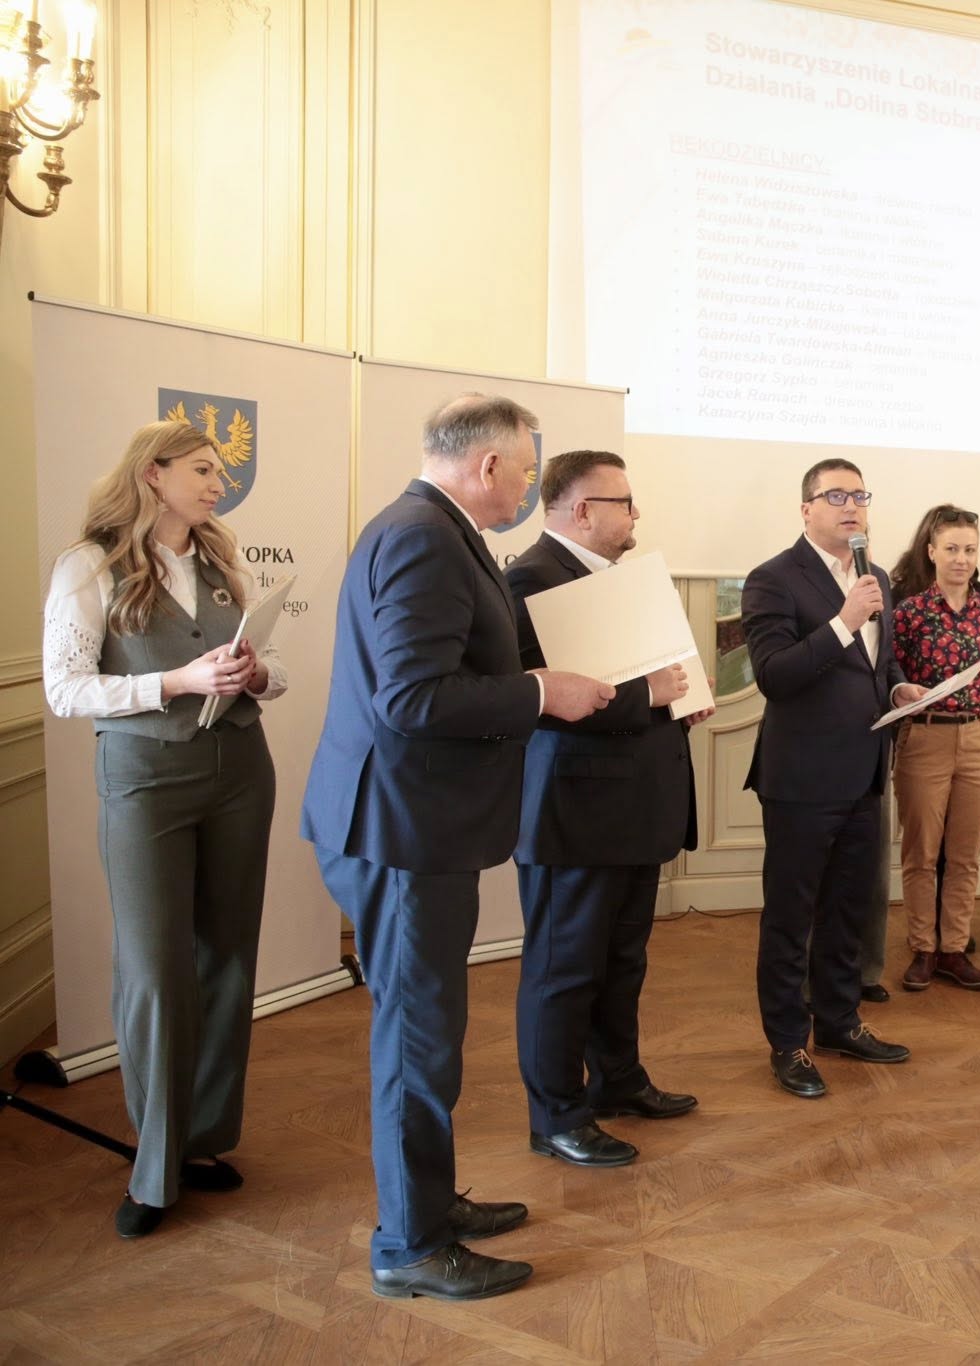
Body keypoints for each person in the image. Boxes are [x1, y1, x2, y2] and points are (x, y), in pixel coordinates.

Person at [302, 394, 615, 1300]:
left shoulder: (430, 528)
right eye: (526, 471)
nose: (527, 487)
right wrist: (540, 692)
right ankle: (409, 1244)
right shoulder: (423, 537)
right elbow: (412, 699)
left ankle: (429, 1205)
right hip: (403, 832)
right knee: (417, 1042)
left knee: (427, 1033)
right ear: (487, 466)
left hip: (411, 824)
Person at [42, 419, 287, 1239]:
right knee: (153, 970)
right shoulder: (89, 565)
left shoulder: (222, 559)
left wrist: (259, 672)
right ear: (153, 473)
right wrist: (175, 682)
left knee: (227, 960)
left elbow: (269, 668)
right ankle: (154, 1166)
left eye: (219, 471)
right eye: (204, 470)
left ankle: (203, 1139)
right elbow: (65, 689)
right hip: (145, 779)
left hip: (240, 772)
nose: (219, 484)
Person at [505, 451, 712, 1170]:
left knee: (621, 960)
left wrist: (680, 699)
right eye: (624, 502)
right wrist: (647, 695)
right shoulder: (532, 578)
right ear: (583, 510)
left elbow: (637, 678)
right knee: (564, 969)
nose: (636, 514)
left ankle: (617, 1080)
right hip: (578, 811)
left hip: (630, 806)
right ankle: (556, 1115)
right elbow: (536, 698)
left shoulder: (613, 578)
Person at [742, 458, 924, 1100]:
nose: (852, 506)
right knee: (792, 918)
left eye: (860, 495)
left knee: (849, 910)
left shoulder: (876, 576)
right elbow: (775, 675)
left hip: (865, 770)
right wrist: (844, 621)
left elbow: (881, 662)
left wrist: (898, 686)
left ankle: (840, 1023)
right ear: (806, 509)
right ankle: (788, 1042)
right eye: (836, 495)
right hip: (801, 779)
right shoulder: (772, 579)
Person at [889, 504, 980, 992]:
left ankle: (954, 949)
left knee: (965, 855)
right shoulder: (910, 612)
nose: (961, 559)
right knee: (921, 852)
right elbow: (891, 674)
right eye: (952, 549)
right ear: (931, 551)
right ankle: (923, 948)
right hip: (926, 737)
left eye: (970, 550)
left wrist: (976, 716)